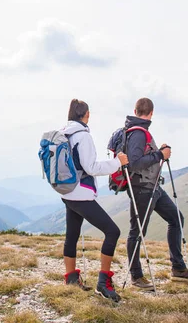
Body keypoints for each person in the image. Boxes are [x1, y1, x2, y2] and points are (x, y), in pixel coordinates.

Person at [125, 97, 188, 289]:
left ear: (135, 111)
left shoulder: (139, 131)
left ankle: (178, 268)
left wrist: (158, 152)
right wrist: (160, 155)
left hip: (153, 187)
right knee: (138, 231)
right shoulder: (138, 133)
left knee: (176, 218)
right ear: (151, 113)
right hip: (142, 188)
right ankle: (136, 276)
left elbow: (141, 157)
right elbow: (134, 163)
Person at [60, 99, 128, 302]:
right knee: (112, 231)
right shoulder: (83, 136)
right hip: (81, 193)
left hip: (67, 192)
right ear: (86, 115)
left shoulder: (64, 133)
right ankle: (103, 284)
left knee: (71, 235)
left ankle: (71, 280)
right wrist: (117, 162)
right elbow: (91, 168)